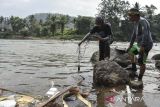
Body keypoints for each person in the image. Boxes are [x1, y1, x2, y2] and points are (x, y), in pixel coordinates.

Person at [127, 8, 153, 81]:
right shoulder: (136, 22)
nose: (129, 17)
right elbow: (133, 35)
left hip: (146, 45)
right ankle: (134, 68)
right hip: (139, 44)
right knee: (131, 52)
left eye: (130, 16)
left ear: (135, 15)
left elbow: (146, 34)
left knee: (141, 62)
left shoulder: (142, 22)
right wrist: (130, 45)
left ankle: (139, 78)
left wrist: (142, 46)